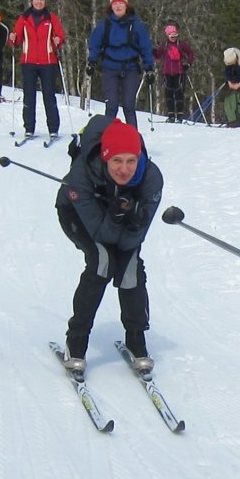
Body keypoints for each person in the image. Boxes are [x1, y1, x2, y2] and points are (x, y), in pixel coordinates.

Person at [56, 115, 165, 375]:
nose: (124, 169)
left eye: (131, 161)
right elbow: (100, 233)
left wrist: (135, 220)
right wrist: (117, 215)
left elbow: (131, 242)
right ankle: (76, 341)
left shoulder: (151, 179)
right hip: (76, 215)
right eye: (116, 160)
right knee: (102, 262)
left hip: (121, 224)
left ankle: (136, 338)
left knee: (129, 267)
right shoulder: (81, 177)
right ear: (105, 158)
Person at [87, 0, 154, 127]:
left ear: (126, 5)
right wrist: (91, 62)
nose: (118, 6)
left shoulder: (136, 25)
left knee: (129, 105)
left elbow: (145, 47)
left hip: (130, 69)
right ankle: (108, 141)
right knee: (111, 106)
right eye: (115, 3)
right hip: (110, 68)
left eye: (120, 3)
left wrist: (149, 68)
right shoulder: (104, 25)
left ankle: (134, 141)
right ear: (111, 6)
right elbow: (95, 43)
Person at [10, 0, 67, 139]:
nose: (39, 2)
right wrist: (13, 38)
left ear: (45, 1)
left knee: (49, 95)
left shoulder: (51, 18)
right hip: (29, 62)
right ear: (32, 1)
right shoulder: (24, 18)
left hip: (47, 62)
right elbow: (16, 40)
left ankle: (53, 128)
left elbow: (61, 35)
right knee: (29, 95)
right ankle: (29, 128)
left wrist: (58, 40)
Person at [155, 23, 196, 121]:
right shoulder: (164, 45)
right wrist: (152, 53)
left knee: (179, 93)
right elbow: (157, 56)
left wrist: (188, 63)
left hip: (179, 72)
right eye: (171, 36)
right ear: (167, 35)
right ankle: (171, 115)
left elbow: (191, 53)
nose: (173, 38)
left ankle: (180, 115)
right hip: (167, 73)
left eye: (175, 35)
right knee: (168, 93)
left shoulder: (181, 44)